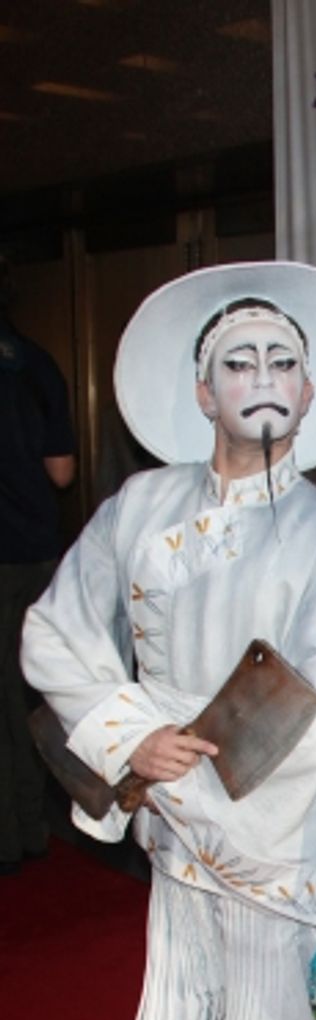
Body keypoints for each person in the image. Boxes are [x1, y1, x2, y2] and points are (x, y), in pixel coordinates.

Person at [22, 262, 316, 1020]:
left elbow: (302, 707)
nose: (261, 376)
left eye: (282, 360)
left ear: (309, 394)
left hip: (266, 823)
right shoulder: (140, 503)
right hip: (168, 810)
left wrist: (180, 784)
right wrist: (127, 734)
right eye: (239, 360)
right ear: (200, 390)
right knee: (202, 995)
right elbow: (55, 633)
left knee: (274, 1007)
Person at [0, 254, 76, 875]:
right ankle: (34, 827)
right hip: (37, 550)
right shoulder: (37, 362)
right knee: (32, 692)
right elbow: (63, 471)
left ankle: (10, 834)